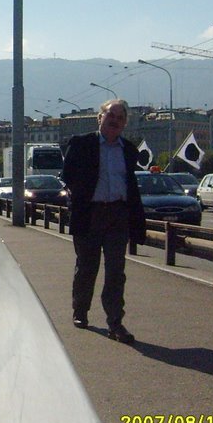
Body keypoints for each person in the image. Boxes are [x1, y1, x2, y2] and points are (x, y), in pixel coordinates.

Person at [61, 98, 147, 344]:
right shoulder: (82, 144)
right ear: (100, 118)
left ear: (124, 124)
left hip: (118, 216)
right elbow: (67, 176)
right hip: (90, 214)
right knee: (87, 267)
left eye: (120, 118)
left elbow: (131, 186)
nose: (115, 121)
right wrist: (78, 197)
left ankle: (115, 323)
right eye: (111, 115)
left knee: (116, 272)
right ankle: (80, 311)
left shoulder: (128, 150)